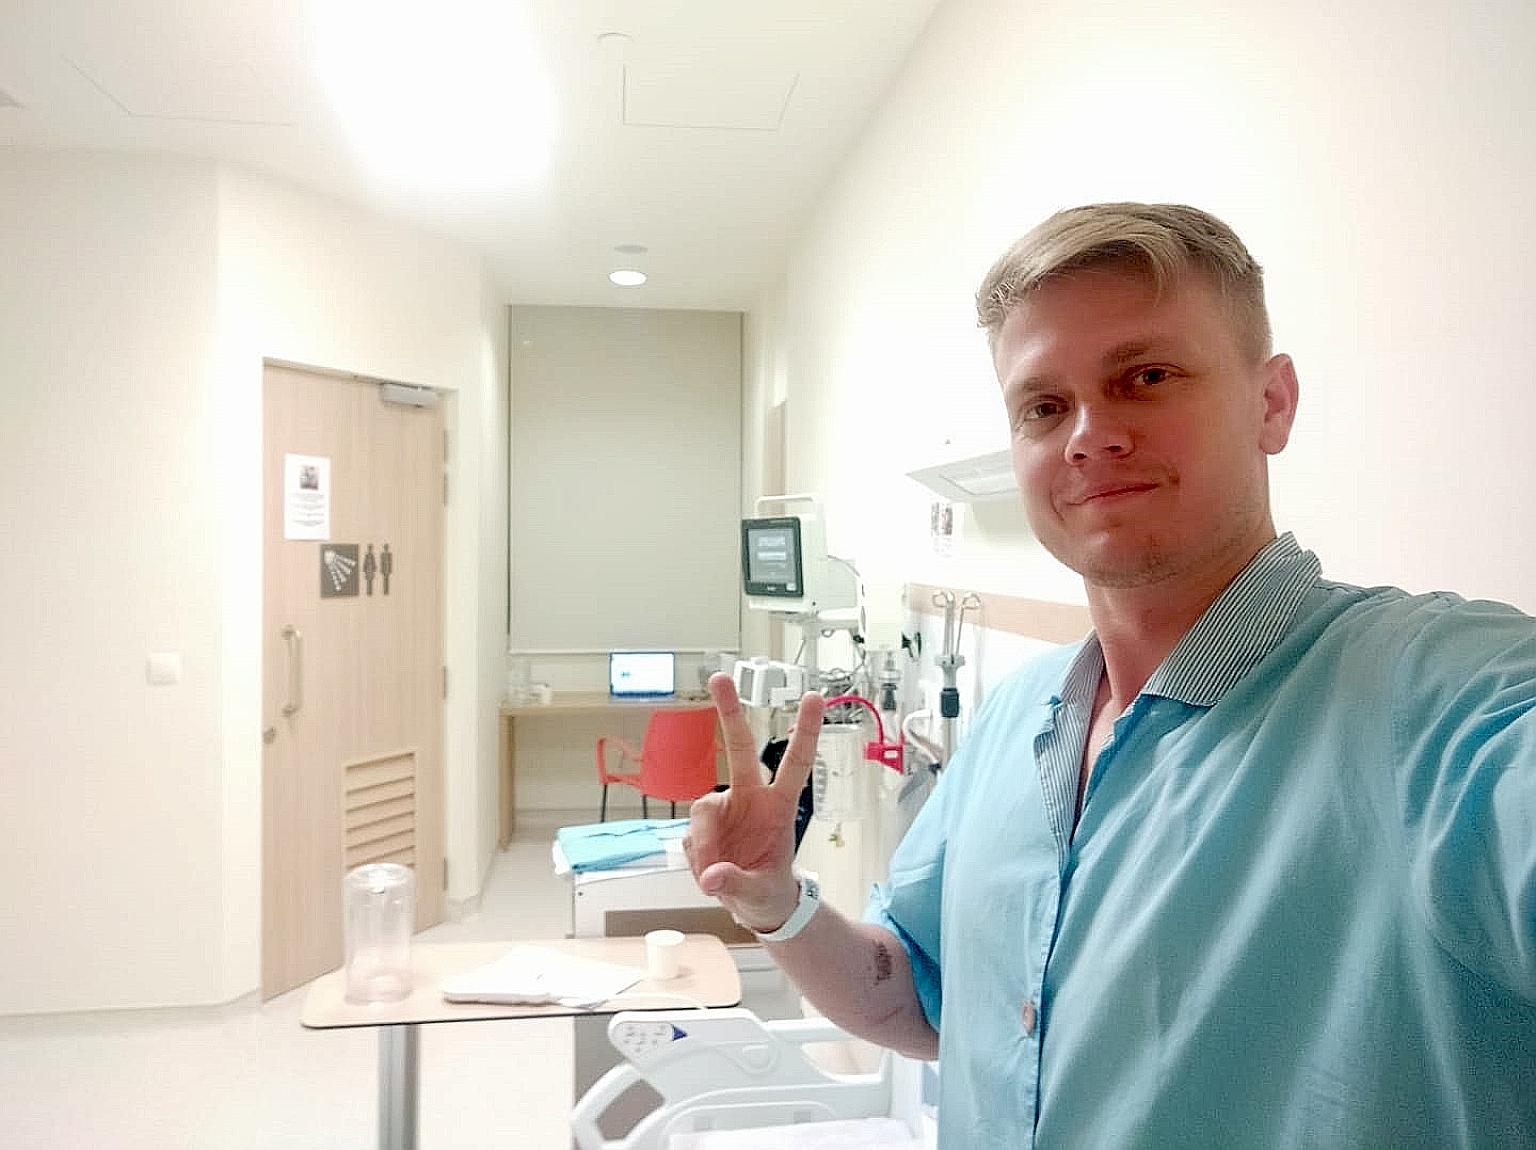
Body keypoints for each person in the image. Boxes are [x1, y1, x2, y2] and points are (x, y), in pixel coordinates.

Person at [683, 203, 1536, 1148]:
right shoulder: (1019, 721)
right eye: (1044, 407)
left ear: (1272, 402)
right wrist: (776, 903)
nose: (1089, 435)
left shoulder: (1438, 703)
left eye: (1147, 377)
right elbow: (924, 1007)